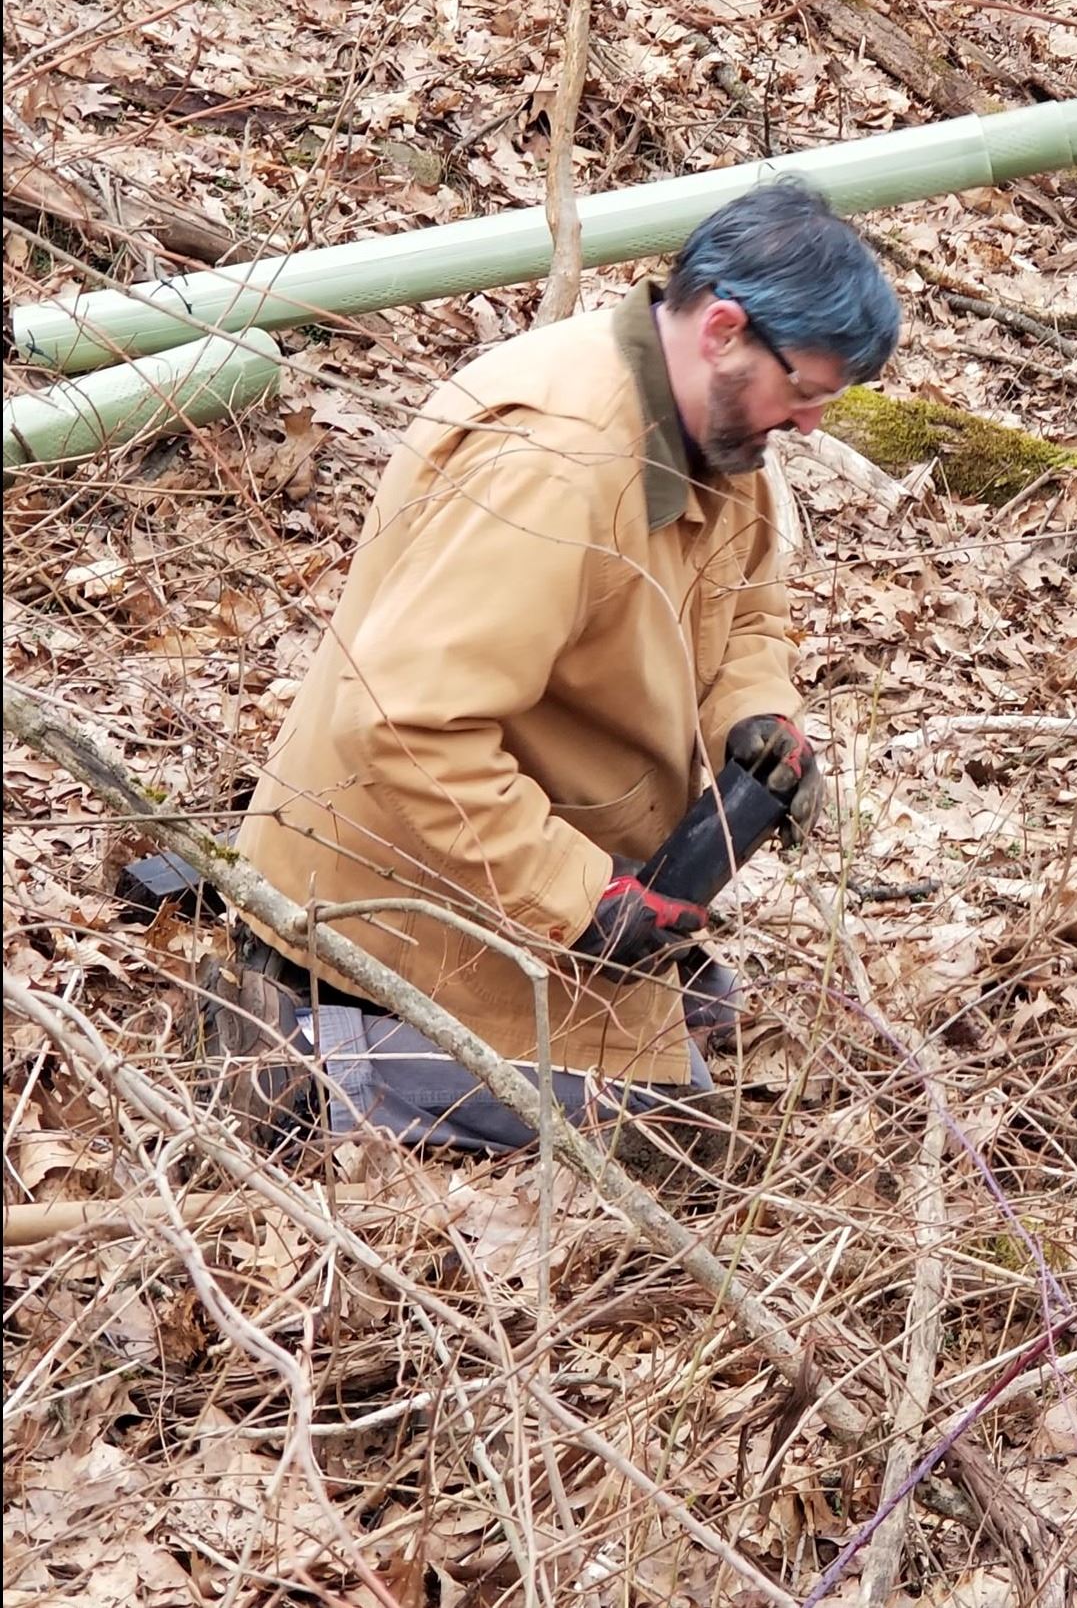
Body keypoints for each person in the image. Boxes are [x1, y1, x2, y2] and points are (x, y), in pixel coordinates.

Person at [214, 182, 901, 1165]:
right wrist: (584, 904)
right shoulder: (557, 458)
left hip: (546, 865)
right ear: (723, 328)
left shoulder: (715, 422)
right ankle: (324, 1061)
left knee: (702, 1028)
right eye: (804, 392)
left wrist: (758, 717)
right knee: (675, 1149)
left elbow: (750, 604)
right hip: (395, 906)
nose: (809, 427)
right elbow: (410, 726)